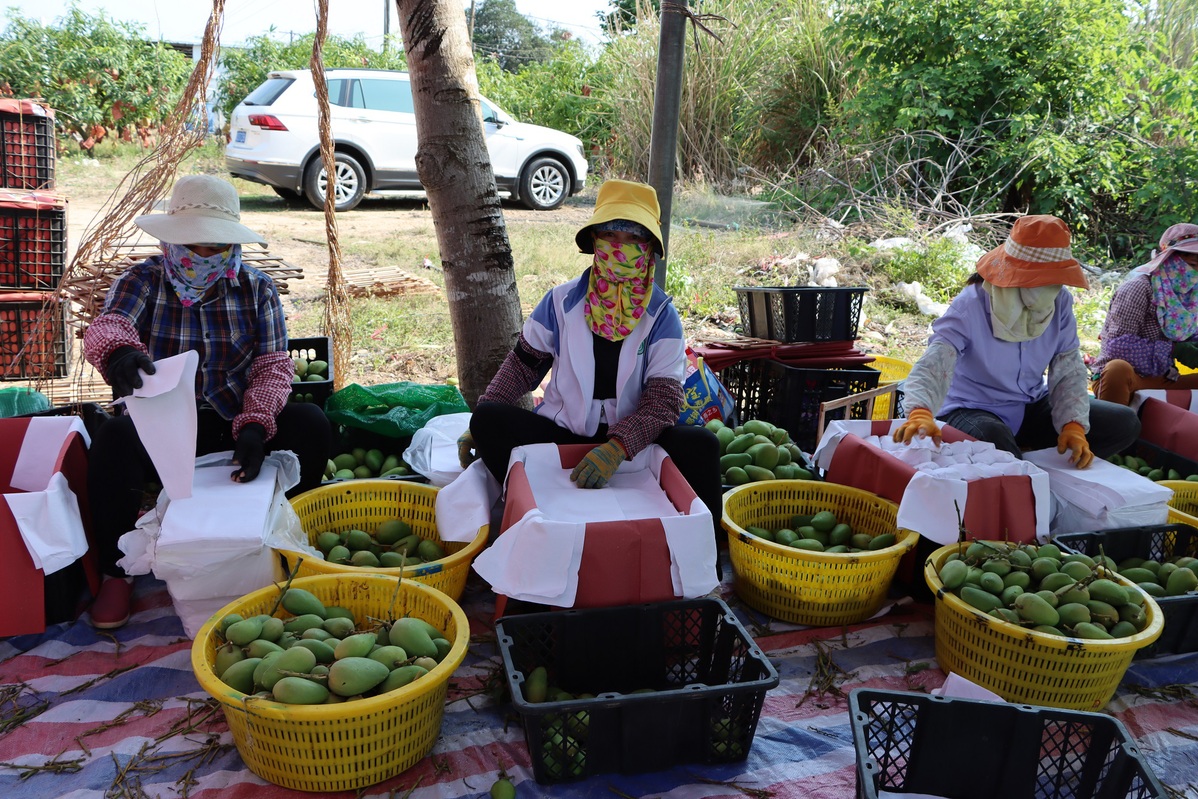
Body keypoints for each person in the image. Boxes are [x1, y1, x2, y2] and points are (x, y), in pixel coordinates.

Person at [82, 175, 332, 629]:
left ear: (231, 244)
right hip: (161, 427)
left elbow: (273, 365)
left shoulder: (257, 289)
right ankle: (116, 572)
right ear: (170, 241)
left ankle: (287, 536)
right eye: (191, 245)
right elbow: (108, 326)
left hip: (229, 421)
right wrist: (118, 352)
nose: (201, 257)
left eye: (214, 246)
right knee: (113, 441)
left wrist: (256, 425)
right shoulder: (142, 281)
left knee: (312, 423)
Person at [456, 178, 722, 532]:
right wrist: (476, 426)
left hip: (633, 448)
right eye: (611, 235)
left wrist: (617, 447)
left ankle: (707, 545)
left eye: (633, 239)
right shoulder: (560, 302)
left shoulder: (662, 316)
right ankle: (532, 516)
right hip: (561, 437)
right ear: (595, 240)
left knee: (703, 445)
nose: (620, 247)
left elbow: (663, 402)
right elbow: (522, 366)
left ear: (648, 248)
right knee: (488, 418)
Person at [892, 214, 1140, 466]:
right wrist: (921, 411)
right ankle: (1016, 462)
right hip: (972, 408)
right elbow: (937, 359)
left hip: (1029, 404)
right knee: (992, 438)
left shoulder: (1060, 302)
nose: (1050, 286)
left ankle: (1036, 463)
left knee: (1123, 422)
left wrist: (1073, 425)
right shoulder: (973, 303)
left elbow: (1068, 367)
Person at [1090, 223, 1198, 405]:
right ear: (1170, 260)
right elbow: (1118, 346)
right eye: (1193, 265)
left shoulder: (1191, 296)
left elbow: (1190, 336)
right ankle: (1110, 430)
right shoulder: (1139, 288)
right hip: (1128, 378)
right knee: (1117, 368)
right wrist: (1174, 350)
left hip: (1165, 377)